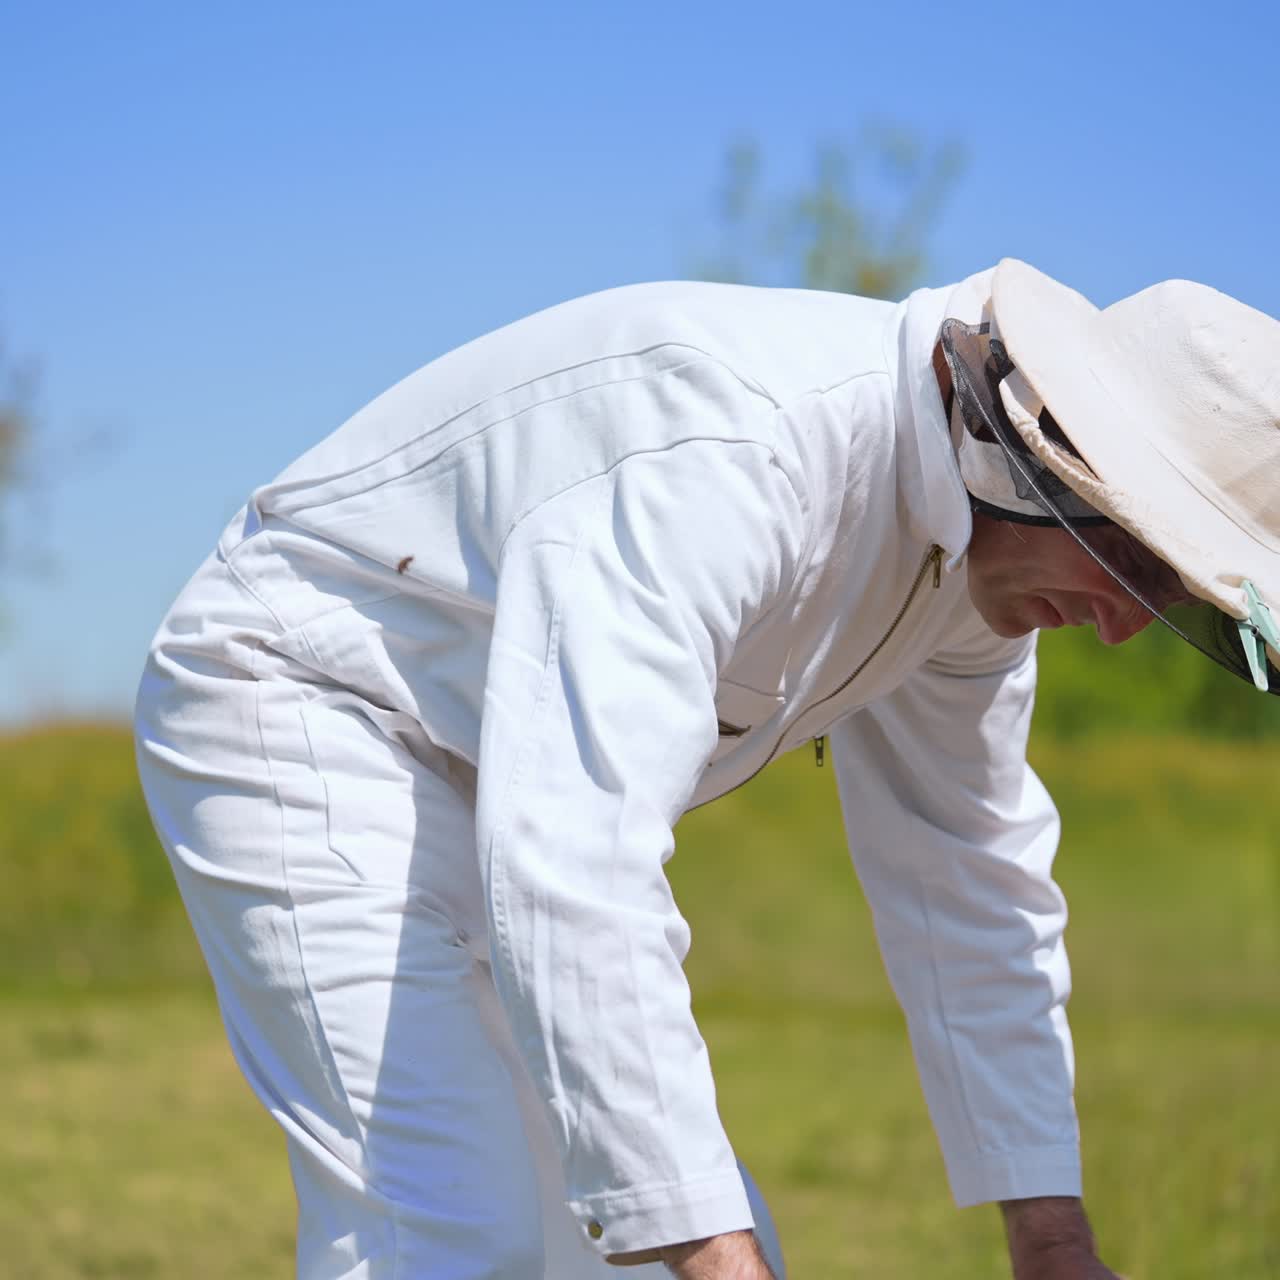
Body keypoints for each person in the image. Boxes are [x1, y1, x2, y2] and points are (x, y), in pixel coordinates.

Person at [134, 258, 1280, 1279]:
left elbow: (969, 879)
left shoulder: (985, 579)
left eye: (1168, 595)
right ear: (1042, 449)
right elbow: (576, 861)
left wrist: (1052, 1245)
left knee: (668, 1243)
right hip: (307, 694)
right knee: (444, 1229)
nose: (1126, 627)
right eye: (1130, 559)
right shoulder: (737, 452)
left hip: (494, 769)